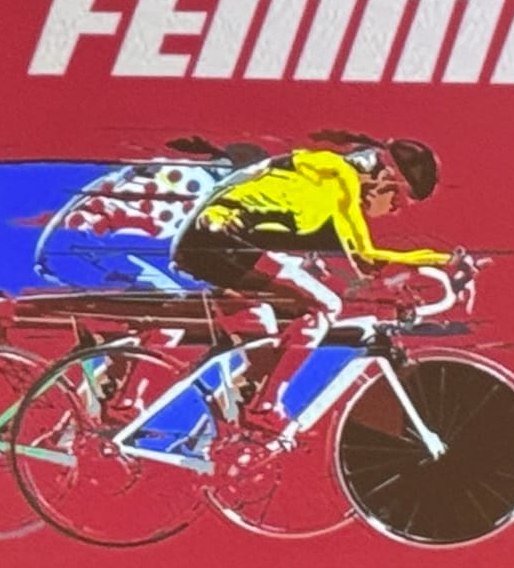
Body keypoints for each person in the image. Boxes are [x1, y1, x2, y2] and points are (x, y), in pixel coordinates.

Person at [170, 130, 455, 443]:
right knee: (323, 307)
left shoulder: (324, 177)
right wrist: (441, 261)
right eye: (397, 200)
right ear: (384, 179)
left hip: (213, 241)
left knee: (268, 340)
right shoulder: (338, 177)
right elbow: (364, 260)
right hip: (217, 241)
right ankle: (264, 407)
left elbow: (330, 261)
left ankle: (213, 427)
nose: (394, 210)